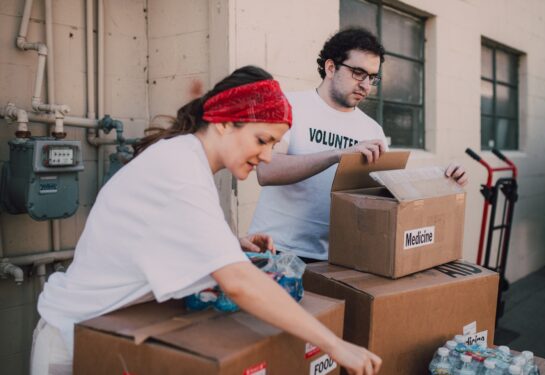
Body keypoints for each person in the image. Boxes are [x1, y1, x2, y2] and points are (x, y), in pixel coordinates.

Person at [31, 66, 382, 375]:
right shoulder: (181, 170)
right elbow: (239, 284)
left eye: (274, 144)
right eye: (262, 140)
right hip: (76, 339)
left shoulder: (186, 158)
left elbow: (163, 234)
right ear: (226, 122)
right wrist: (335, 344)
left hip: (109, 329)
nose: (268, 156)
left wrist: (229, 245)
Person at [249, 28, 467, 263]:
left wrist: (444, 181)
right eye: (358, 73)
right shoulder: (289, 105)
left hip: (334, 258)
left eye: (372, 77)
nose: (366, 85)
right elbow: (266, 171)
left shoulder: (372, 131)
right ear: (331, 68)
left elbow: (387, 195)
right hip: (274, 249)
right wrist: (338, 154)